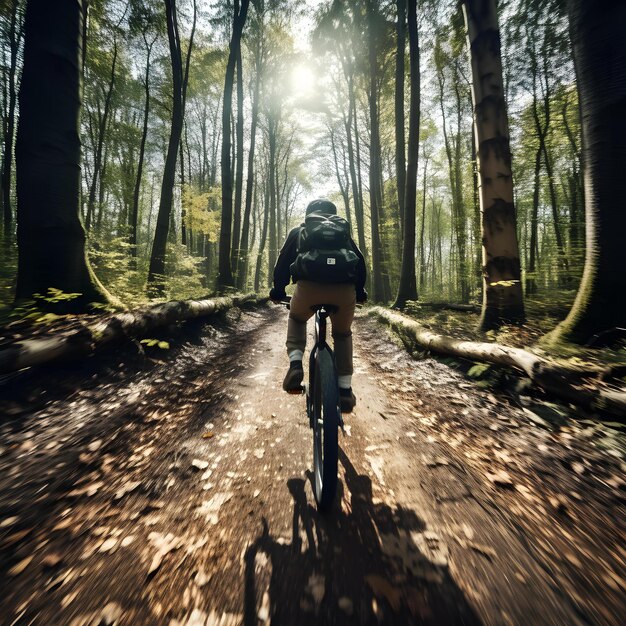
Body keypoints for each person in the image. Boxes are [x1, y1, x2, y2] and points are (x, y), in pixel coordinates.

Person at [269, 199, 367, 413]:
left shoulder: (300, 230)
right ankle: (344, 390)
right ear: (334, 214)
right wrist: (360, 293)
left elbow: (283, 263)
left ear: (309, 213)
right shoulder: (343, 233)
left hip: (308, 289)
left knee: (296, 317)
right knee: (342, 334)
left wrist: (278, 291)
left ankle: (295, 365)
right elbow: (359, 262)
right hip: (344, 291)